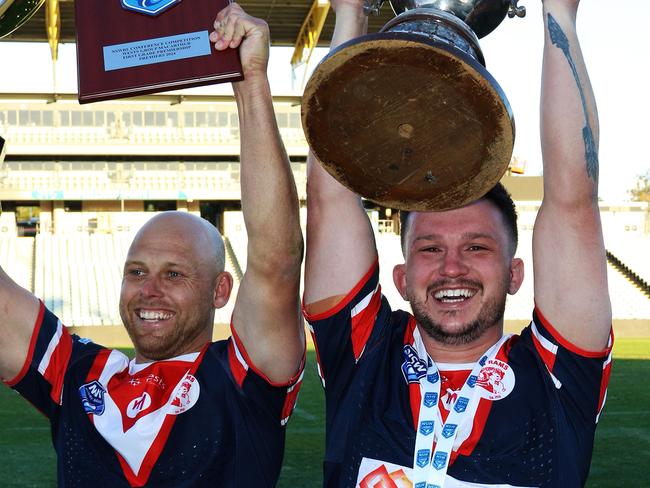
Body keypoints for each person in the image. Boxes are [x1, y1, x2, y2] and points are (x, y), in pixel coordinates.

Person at [303, 0, 612, 487]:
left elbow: (574, 203)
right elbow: (330, 199)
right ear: (401, 278)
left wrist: (560, 14)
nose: (452, 267)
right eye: (429, 248)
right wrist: (350, 14)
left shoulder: (556, 378)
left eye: (477, 247)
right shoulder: (366, 356)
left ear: (514, 274)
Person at [0, 4, 305, 486]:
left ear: (221, 290)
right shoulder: (75, 375)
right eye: (137, 271)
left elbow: (277, 258)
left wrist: (250, 80)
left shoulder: (246, 380)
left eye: (174, 274)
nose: (149, 289)